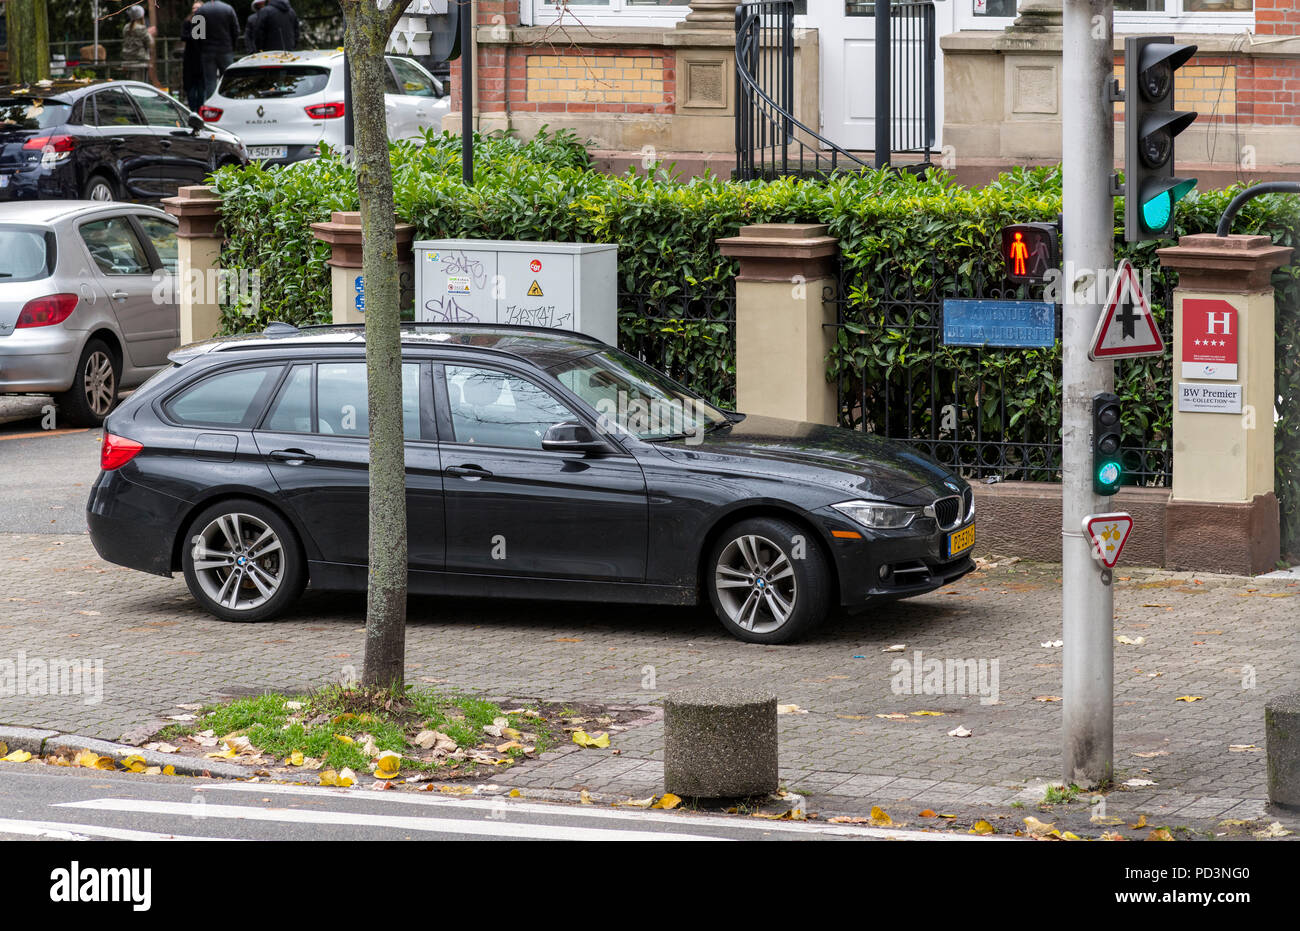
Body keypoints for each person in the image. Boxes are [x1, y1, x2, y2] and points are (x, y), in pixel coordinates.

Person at [194, 0, 242, 101]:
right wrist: (232, 47)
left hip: (207, 50)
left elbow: (196, 34)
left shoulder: (201, 10)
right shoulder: (228, 8)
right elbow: (236, 30)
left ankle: (211, 105)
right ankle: (230, 101)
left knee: (210, 82)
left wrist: (201, 48)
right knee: (229, 80)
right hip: (225, 49)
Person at [181, 1, 206, 112]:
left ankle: (200, 110)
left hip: (202, 58)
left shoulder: (205, 22)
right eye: (193, 8)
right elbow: (184, 36)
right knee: (191, 86)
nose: (195, 10)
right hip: (190, 58)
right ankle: (193, 111)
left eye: (198, 8)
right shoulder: (187, 22)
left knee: (201, 88)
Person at [120, 5, 153, 84]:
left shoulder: (126, 27)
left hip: (127, 59)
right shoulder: (141, 28)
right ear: (141, 16)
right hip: (139, 61)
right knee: (139, 86)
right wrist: (150, 33)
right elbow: (150, 43)